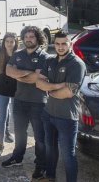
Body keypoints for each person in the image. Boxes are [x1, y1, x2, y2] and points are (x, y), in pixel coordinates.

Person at [36, 31, 86, 182]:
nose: (60, 47)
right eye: (57, 44)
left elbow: (68, 92)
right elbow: (39, 83)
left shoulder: (77, 64)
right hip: (48, 113)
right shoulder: (50, 61)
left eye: (64, 43)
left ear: (70, 44)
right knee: (50, 150)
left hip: (67, 118)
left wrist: (49, 90)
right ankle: (50, 177)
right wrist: (58, 85)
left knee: (68, 155)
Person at [1, 26, 49, 180]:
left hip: (39, 103)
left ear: (38, 38)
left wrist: (19, 75)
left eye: (32, 36)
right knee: (20, 134)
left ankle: (41, 165)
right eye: (26, 36)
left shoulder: (45, 57)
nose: (29, 39)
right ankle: (17, 157)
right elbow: (9, 71)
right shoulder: (17, 54)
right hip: (20, 101)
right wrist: (31, 74)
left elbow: (40, 78)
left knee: (39, 138)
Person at [0, 32, 18, 156]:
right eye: (7, 41)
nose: (9, 44)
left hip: (16, 90)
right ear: (4, 42)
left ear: (15, 43)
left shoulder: (19, 55)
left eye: (11, 42)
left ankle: (17, 146)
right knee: (2, 117)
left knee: (16, 117)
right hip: (2, 89)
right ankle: (1, 143)